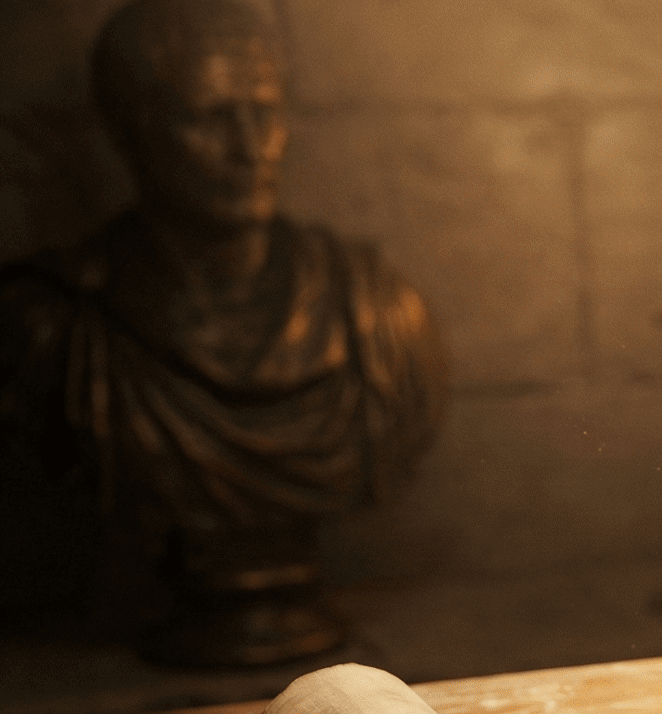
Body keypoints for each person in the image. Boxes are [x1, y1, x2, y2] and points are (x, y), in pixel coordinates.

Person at [0, 0, 443, 663]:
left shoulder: (379, 312)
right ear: (132, 132)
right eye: (209, 118)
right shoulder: (56, 331)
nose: (250, 149)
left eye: (266, 113)